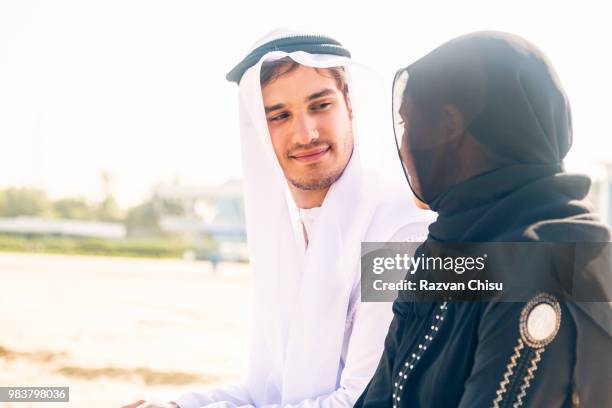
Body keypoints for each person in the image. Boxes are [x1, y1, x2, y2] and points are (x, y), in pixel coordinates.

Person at [122, 29, 432, 408]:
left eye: (320, 106)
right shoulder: (290, 232)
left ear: (349, 104)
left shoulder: (399, 230)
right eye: (280, 116)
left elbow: (362, 400)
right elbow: (267, 390)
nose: (306, 133)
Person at [355, 31, 612, 407]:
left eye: (409, 124)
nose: (405, 146)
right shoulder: (449, 248)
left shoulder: (546, 265)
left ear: (448, 127)